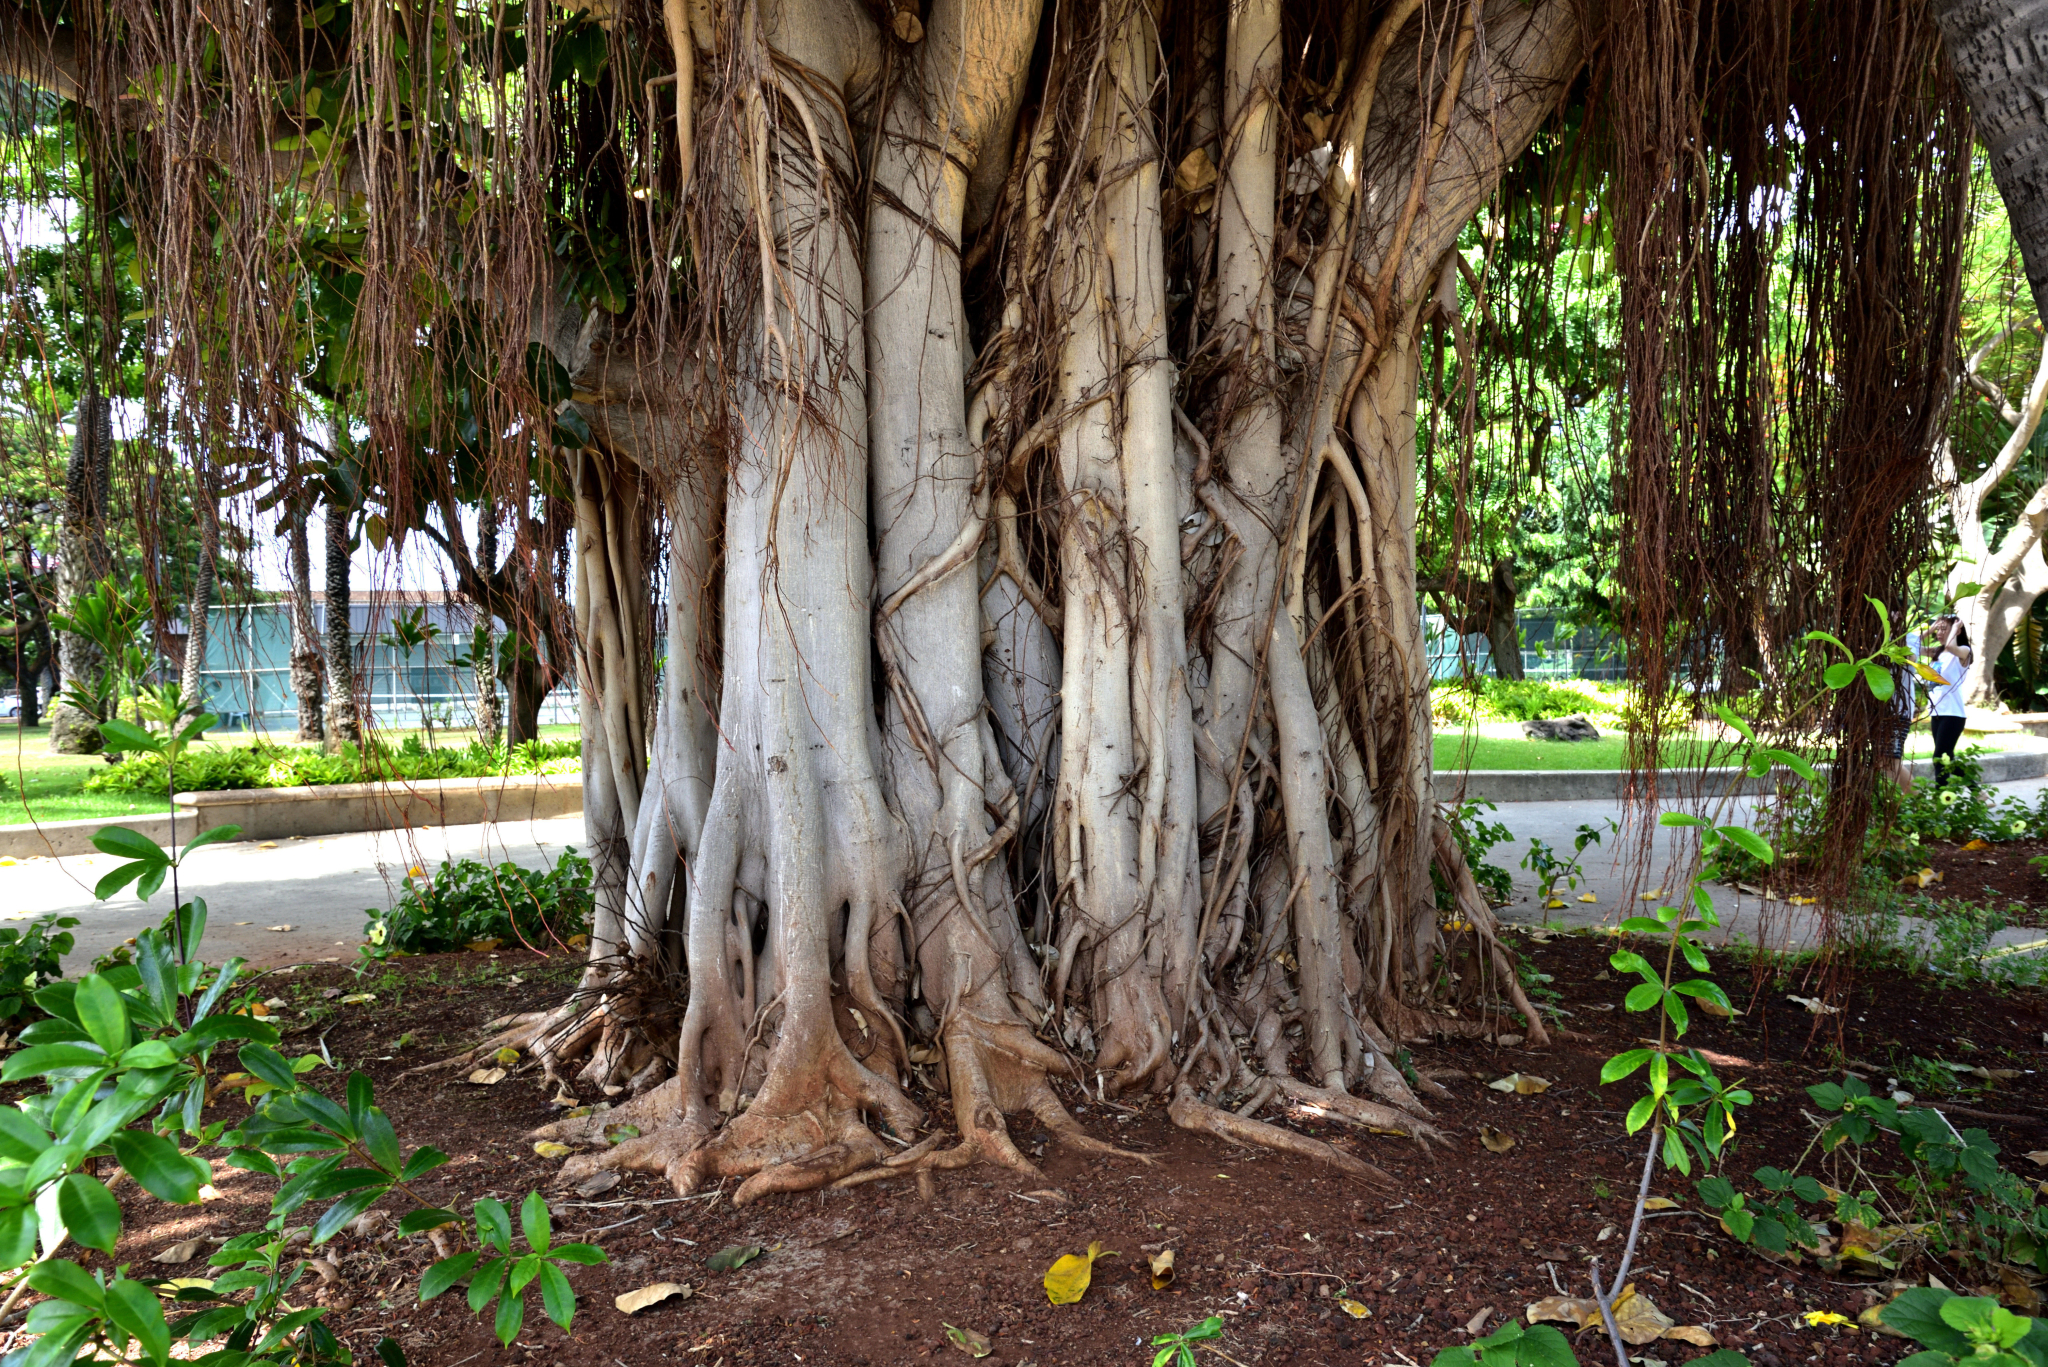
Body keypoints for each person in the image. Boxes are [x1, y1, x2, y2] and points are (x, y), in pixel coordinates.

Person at [1926, 615, 1973, 787]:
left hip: (1953, 714)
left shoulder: (1963, 651)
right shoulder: (1938, 652)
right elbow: (1913, 648)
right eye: (1938, 629)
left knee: (1939, 757)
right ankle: (1977, 793)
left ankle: (1941, 802)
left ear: (1957, 630)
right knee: (1946, 759)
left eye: (1943, 629)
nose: (1939, 632)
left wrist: (1955, 626)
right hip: (1937, 712)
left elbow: (1950, 645)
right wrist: (1931, 628)